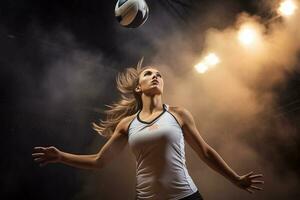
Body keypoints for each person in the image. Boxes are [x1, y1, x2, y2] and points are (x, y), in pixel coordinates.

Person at [32, 60, 264, 200]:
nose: (155, 76)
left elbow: (205, 152)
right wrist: (61, 156)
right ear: (138, 87)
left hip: (185, 197)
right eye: (149, 74)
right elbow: (99, 161)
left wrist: (235, 178)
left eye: (159, 75)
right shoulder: (127, 124)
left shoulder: (178, 114)